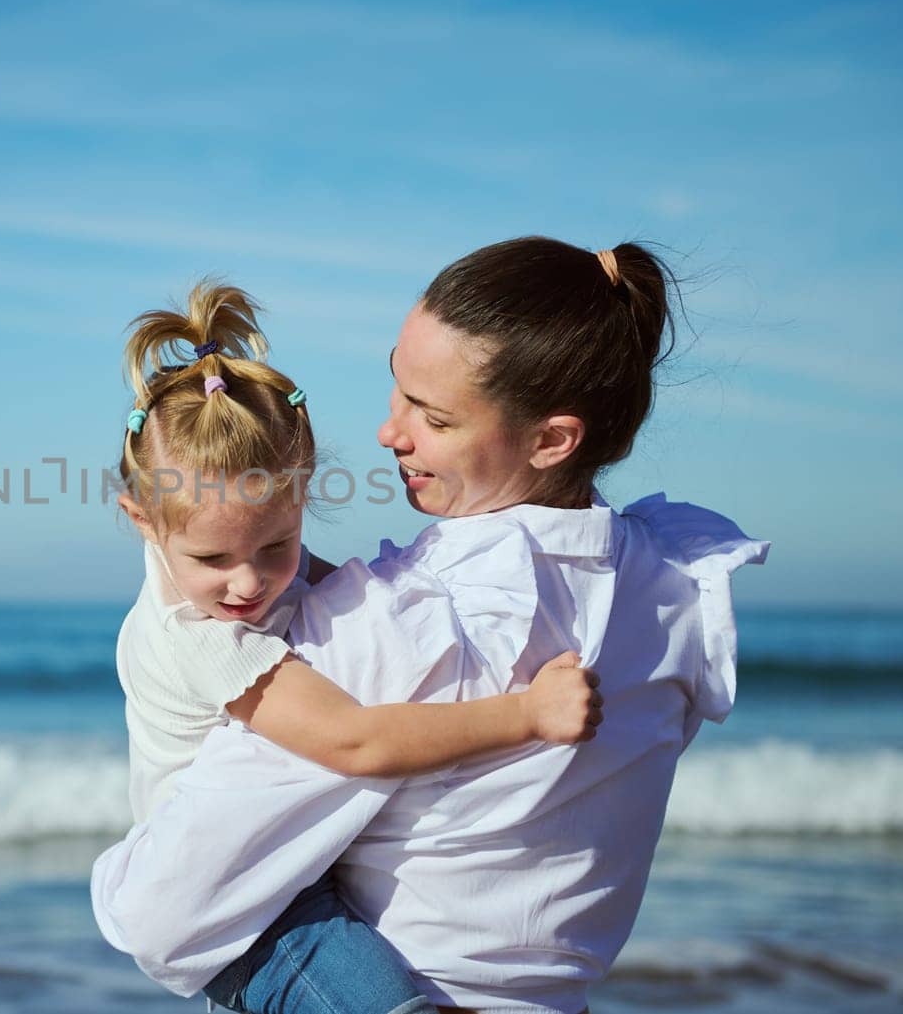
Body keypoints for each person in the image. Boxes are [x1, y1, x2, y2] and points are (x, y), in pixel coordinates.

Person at [92, 238, 770, 1014]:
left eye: (434, 415)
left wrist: (113, 885)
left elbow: (164, 917)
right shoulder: (677, 585)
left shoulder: (401, 624)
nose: (390, 433)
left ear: (553, 438)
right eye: (398, 389)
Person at [111, 280, 604, 1014]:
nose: (249, 582)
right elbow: (353, 740)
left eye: (277, 544)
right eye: (214, 560)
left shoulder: (209, 540)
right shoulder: (200, 636)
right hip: (245, 911)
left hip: (288, 866)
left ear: (303, 495)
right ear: (142, 521)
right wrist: (528, 714)